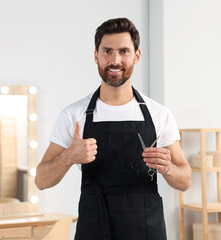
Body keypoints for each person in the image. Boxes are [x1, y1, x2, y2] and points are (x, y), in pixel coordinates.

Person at [35, 17, 191, 240]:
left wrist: (168, 168)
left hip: (146, 229)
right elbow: (41, 180)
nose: (115, 60)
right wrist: (69, 156)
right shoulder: (74, 115)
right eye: (107, 51)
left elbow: (184, 181)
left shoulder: (159, 114)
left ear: (137, 56)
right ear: (96, 55)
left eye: (124, 51)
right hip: (94, 227)